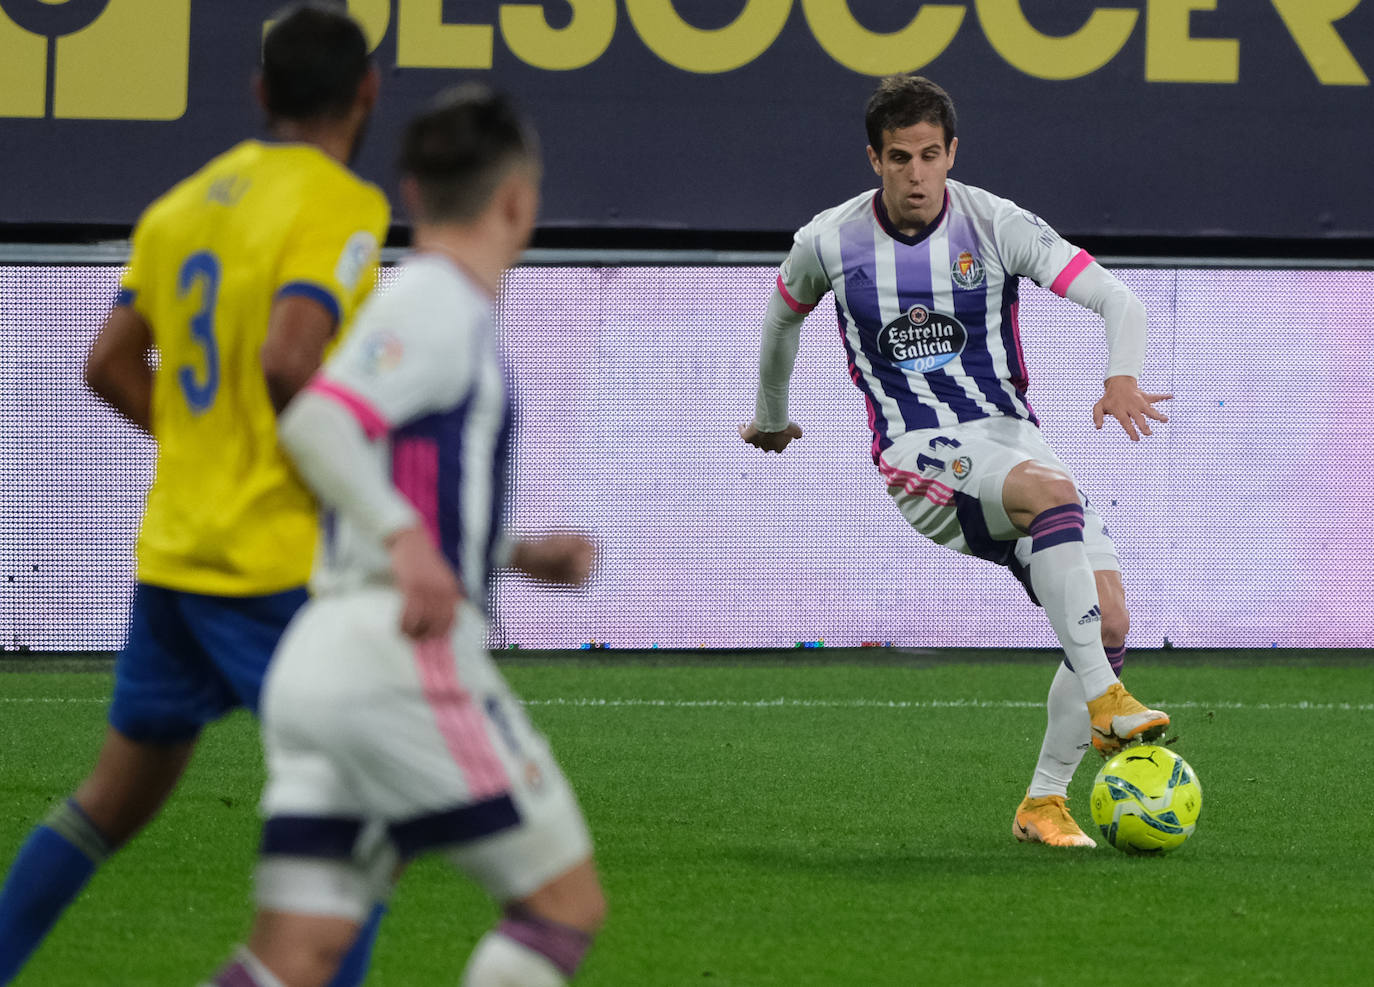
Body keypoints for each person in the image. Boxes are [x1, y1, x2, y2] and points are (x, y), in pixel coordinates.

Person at [0, 5, 391, 983]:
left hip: (175, 555)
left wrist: (207, 446)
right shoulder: (340, 204)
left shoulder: (179, 208)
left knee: (107, 805)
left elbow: (106, 363)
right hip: (274, 565)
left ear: (260, 93)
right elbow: (290, 359)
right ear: (367, 94)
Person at [204, 85, 606, 987]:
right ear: (518, 201)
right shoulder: (439, 306)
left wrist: (515, 553)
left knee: (291, 958)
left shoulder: (420, 304)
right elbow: (315, 424)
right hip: (399, 658)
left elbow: (394, 479)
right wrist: (405, 541)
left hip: (321, 665)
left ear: (413, 192)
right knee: (562, 905)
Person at [739, 75, 1172, 849]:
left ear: (952, 153)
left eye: (930, 155)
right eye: (899, 157)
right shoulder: (828, 241)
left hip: (1009, 440)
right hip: (917, 457)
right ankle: (1108, 699)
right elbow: (781, 318)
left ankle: (1044, 802)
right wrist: (772, 417)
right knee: (1051, 491)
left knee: (1109, 617)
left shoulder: (995, 221)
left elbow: (1120, 301)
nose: (916, 174)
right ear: (874, 158)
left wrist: (1121, 377)